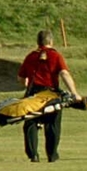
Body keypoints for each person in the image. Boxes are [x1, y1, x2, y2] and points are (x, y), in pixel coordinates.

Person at [18, 30, 79, 163]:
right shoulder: (56, 56)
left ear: (38, 42)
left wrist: (26, 84)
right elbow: (64, 74)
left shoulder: (30, 56)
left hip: (33, 94)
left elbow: (21, 78)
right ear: (51, 41)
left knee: (31, 123)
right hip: (51, 94)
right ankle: (52, 155)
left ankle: (33, 154)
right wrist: (74, 93)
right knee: (53, 124)